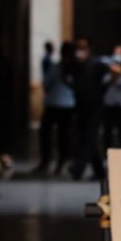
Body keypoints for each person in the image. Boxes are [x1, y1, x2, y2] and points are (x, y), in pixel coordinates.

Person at [70, 39, 107, 181]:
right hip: (81, 106)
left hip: (95, 106)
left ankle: (78, 168)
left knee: (88, 137)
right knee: (88, 139)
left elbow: (113, 73)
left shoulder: (97, 64)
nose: (80, 52)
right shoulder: (76, 66)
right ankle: (100, 171)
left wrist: (107, 86)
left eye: (83, 48)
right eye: (78, 48)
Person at [36, 41, 76, 176]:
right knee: (62, 135)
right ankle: (59, 162)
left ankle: (47, 161)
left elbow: (47, 84)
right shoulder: (75, 68)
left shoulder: (57, 67)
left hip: (54, 104)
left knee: (48, 133)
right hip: (67, 105)